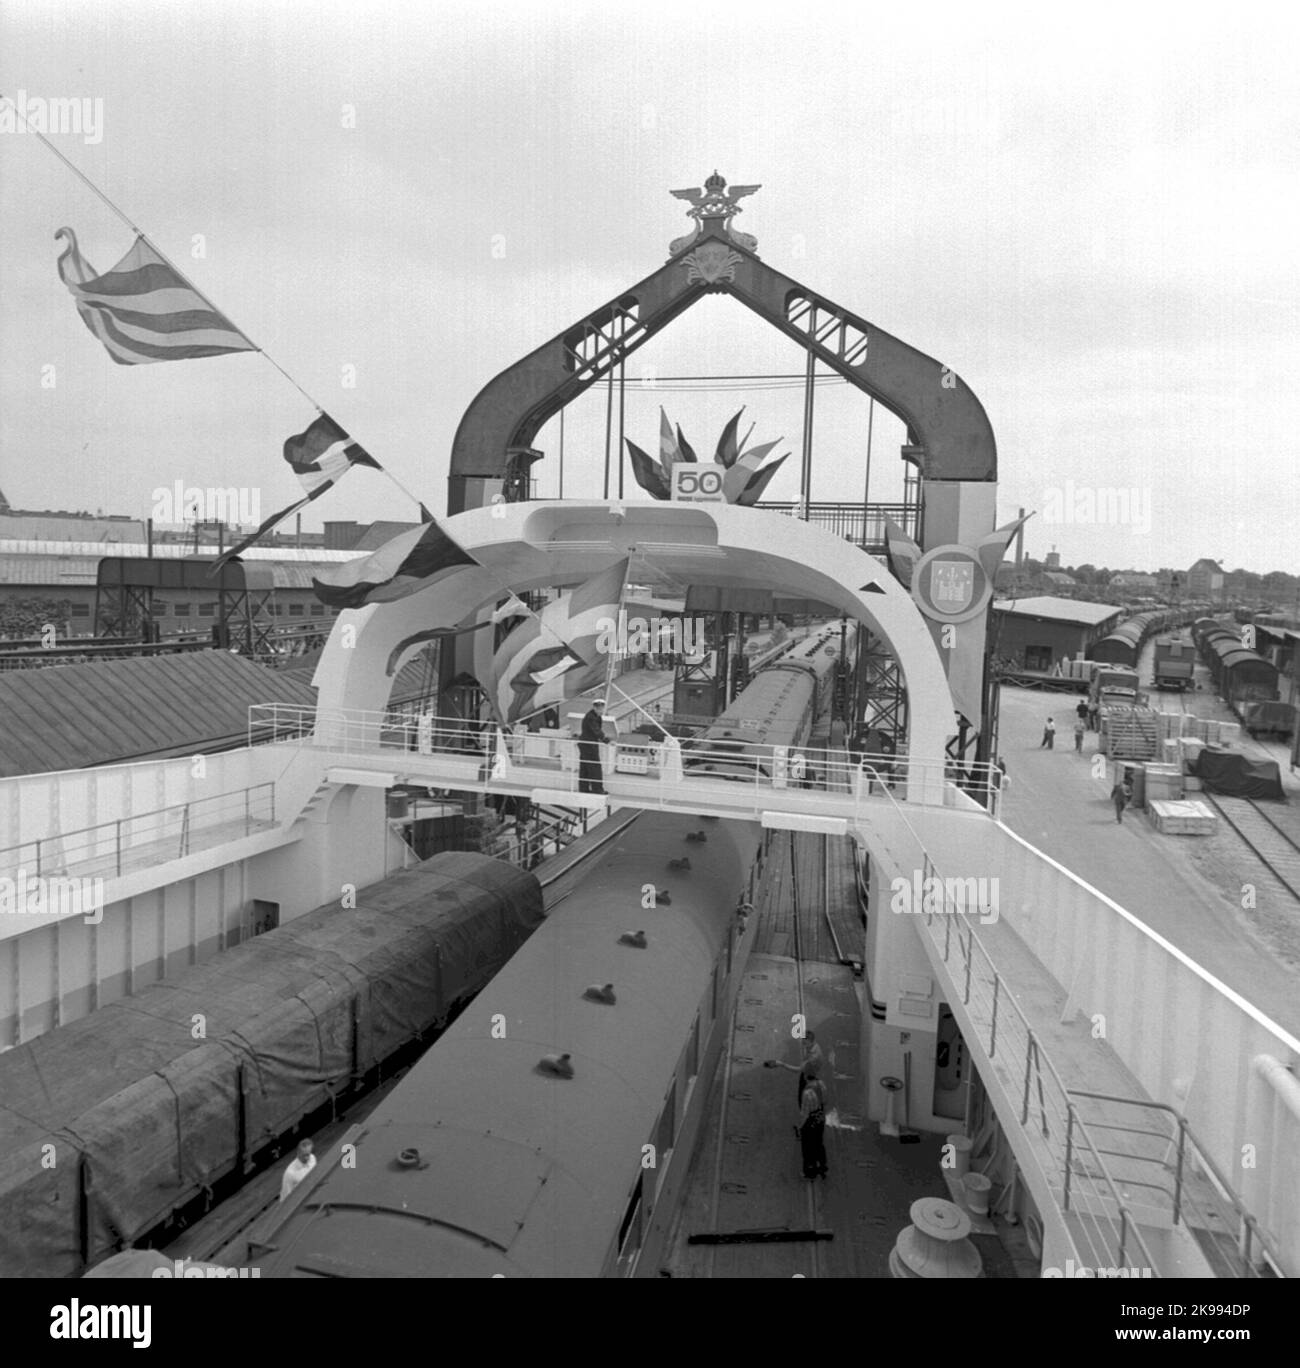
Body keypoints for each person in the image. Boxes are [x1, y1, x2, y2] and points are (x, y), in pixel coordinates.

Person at [798, 1077, 829, 1180]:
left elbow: (805, 1113)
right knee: (819, 1143)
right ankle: (823, 1166)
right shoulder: (821, 1084)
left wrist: (800, 1126)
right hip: (820, 1117)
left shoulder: (807, 1093)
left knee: (807, 1147)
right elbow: (825, 1101)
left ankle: (810, 1172)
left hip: (810, 1121)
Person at [578, 698, 609, 795]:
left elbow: (596, 731)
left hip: (587, 744)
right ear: (594, 707)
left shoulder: (595, 716)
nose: (600, 710)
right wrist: (606, 740)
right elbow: (596, 730)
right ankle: (597, 789)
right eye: (599, 708)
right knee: (595, 767)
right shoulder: (591, 717)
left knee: (585, 767)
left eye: (601, 708)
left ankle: (583, 788)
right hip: (589, 745)